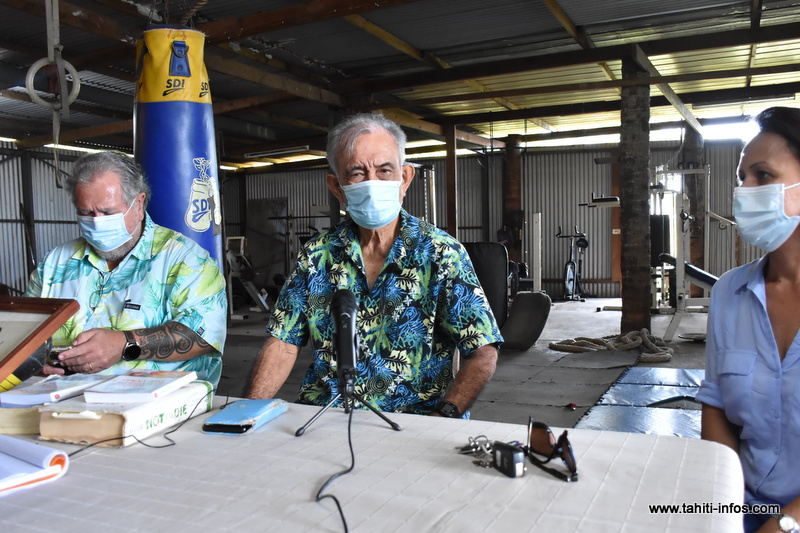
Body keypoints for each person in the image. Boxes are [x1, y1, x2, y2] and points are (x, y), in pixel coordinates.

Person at [247, 113, 502, 417]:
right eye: (356, 173)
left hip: (415, 421)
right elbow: (282, 344)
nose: (372, 183)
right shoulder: (317, 255)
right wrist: (246, 413)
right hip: (326, 416)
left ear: (404, 178)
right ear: (337, 187)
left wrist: (445, 414)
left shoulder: (440, 253)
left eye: (384, 170)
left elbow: (482, 352)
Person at [24, 151, 227, 386]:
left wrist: (124, 344)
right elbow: (25, 331)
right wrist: (33, 358)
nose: (97, 221)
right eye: (86, 213)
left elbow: (203, 337)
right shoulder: (54, 263)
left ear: (138, 204)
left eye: (108, 212)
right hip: (59, 402)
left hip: (157, 408)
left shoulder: (187, 261)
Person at [697, 106, 800, 533]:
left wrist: (783, 526)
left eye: (763, 175)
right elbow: (717, 407)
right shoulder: (729, 294)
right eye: (742, 178)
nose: (744, 191)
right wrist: (725, 509)